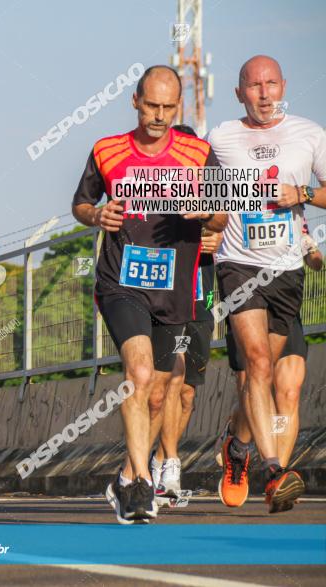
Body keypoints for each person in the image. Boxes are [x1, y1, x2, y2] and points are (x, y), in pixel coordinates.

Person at [71, 66, 227, 523]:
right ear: (135, 101)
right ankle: (140, 484)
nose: (159, 116)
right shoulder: (107, 150)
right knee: (138, 372)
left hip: (175, 287)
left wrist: (202, 212)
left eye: (168, 107)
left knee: (160, 395)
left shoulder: (199, 154)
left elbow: (220, 218)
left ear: (177, 106)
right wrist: (97, 216)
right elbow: (80, 203)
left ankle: (122, 479)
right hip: (121, 280)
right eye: (152, 105)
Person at [208, 55, 326, 513]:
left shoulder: (310, 134)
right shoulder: (219, 137)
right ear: (239, 92)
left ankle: (237, 447)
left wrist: (301, 194)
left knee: (268, 375)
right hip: (236, 262)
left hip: (286, 269)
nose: (263, 92)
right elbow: (197, 187)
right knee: (257, 364)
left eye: (271, 83)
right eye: (253, 85)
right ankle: (274, 471)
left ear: (283, 86)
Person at [217, 218, 324, 505]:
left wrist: (312, 251)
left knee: (289, 390)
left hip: (283, 297)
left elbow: (312, 254)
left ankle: (279, 478)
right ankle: (237, 449)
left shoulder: (285, 200)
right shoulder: (232, 182)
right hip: (244, 292)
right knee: (252, 384)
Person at [149, 125, 221, 502]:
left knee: (189, 392)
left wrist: (215, 234)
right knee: (166, 383)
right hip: (164, 300)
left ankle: (161, 459)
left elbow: (227, 226)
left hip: (200, 299)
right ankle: (164, 466)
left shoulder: (209, 189)